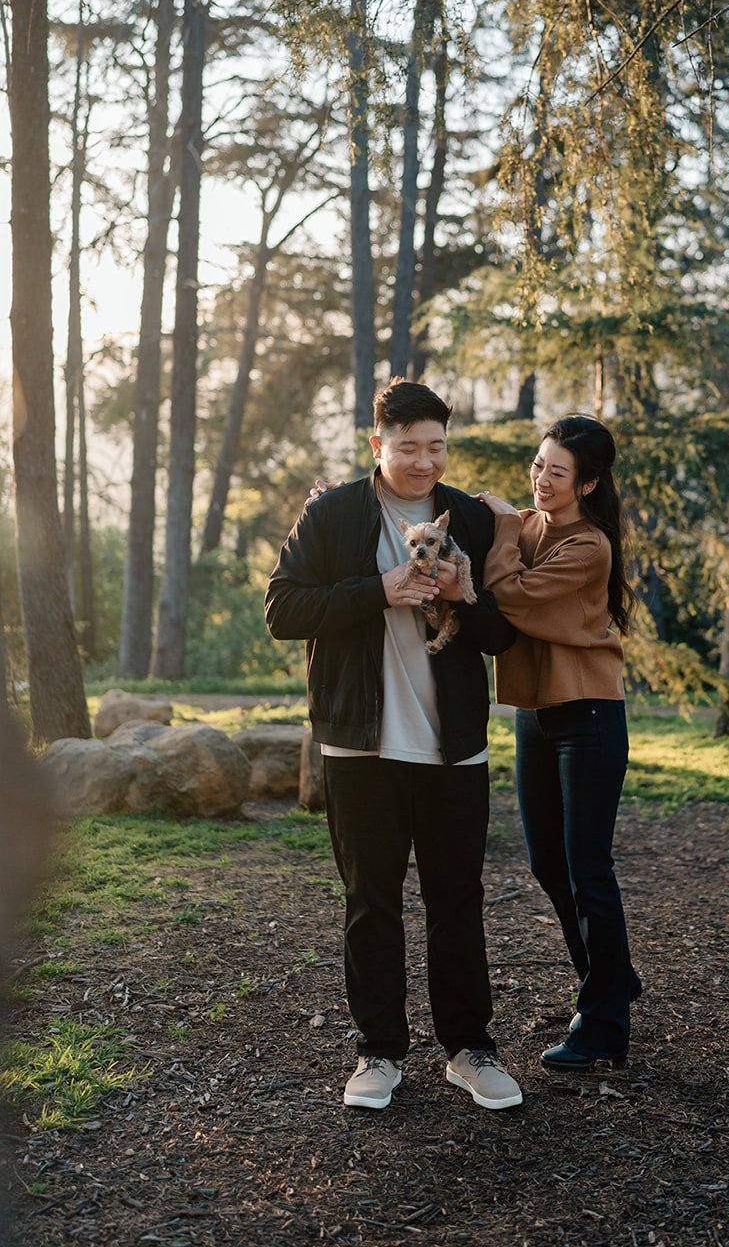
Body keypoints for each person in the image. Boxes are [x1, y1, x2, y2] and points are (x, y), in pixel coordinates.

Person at [264, 379, 523, 1112]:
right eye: (407, 446)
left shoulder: (469, 516)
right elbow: (283, 609)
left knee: (457, 899)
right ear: (377, 444)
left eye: (436, 446)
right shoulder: (334, 512)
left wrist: (465, 600)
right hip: (360, 748)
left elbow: (503, 635)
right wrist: (378, 589)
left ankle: (469, 1050)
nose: (423, 460)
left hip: (454, 748)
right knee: (370, 901)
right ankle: (378, 1053)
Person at [479, 414, 640, 1072]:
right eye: (538, 465)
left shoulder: (589, 546)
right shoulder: (529, 522)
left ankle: (604, 1021)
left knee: (587, 869)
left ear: (588, 482)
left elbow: (509, 595)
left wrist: (502, 530)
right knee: (549, 865)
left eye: (557, 472)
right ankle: (608, 982)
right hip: (538, 713)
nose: (541, 480)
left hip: (589, 717)